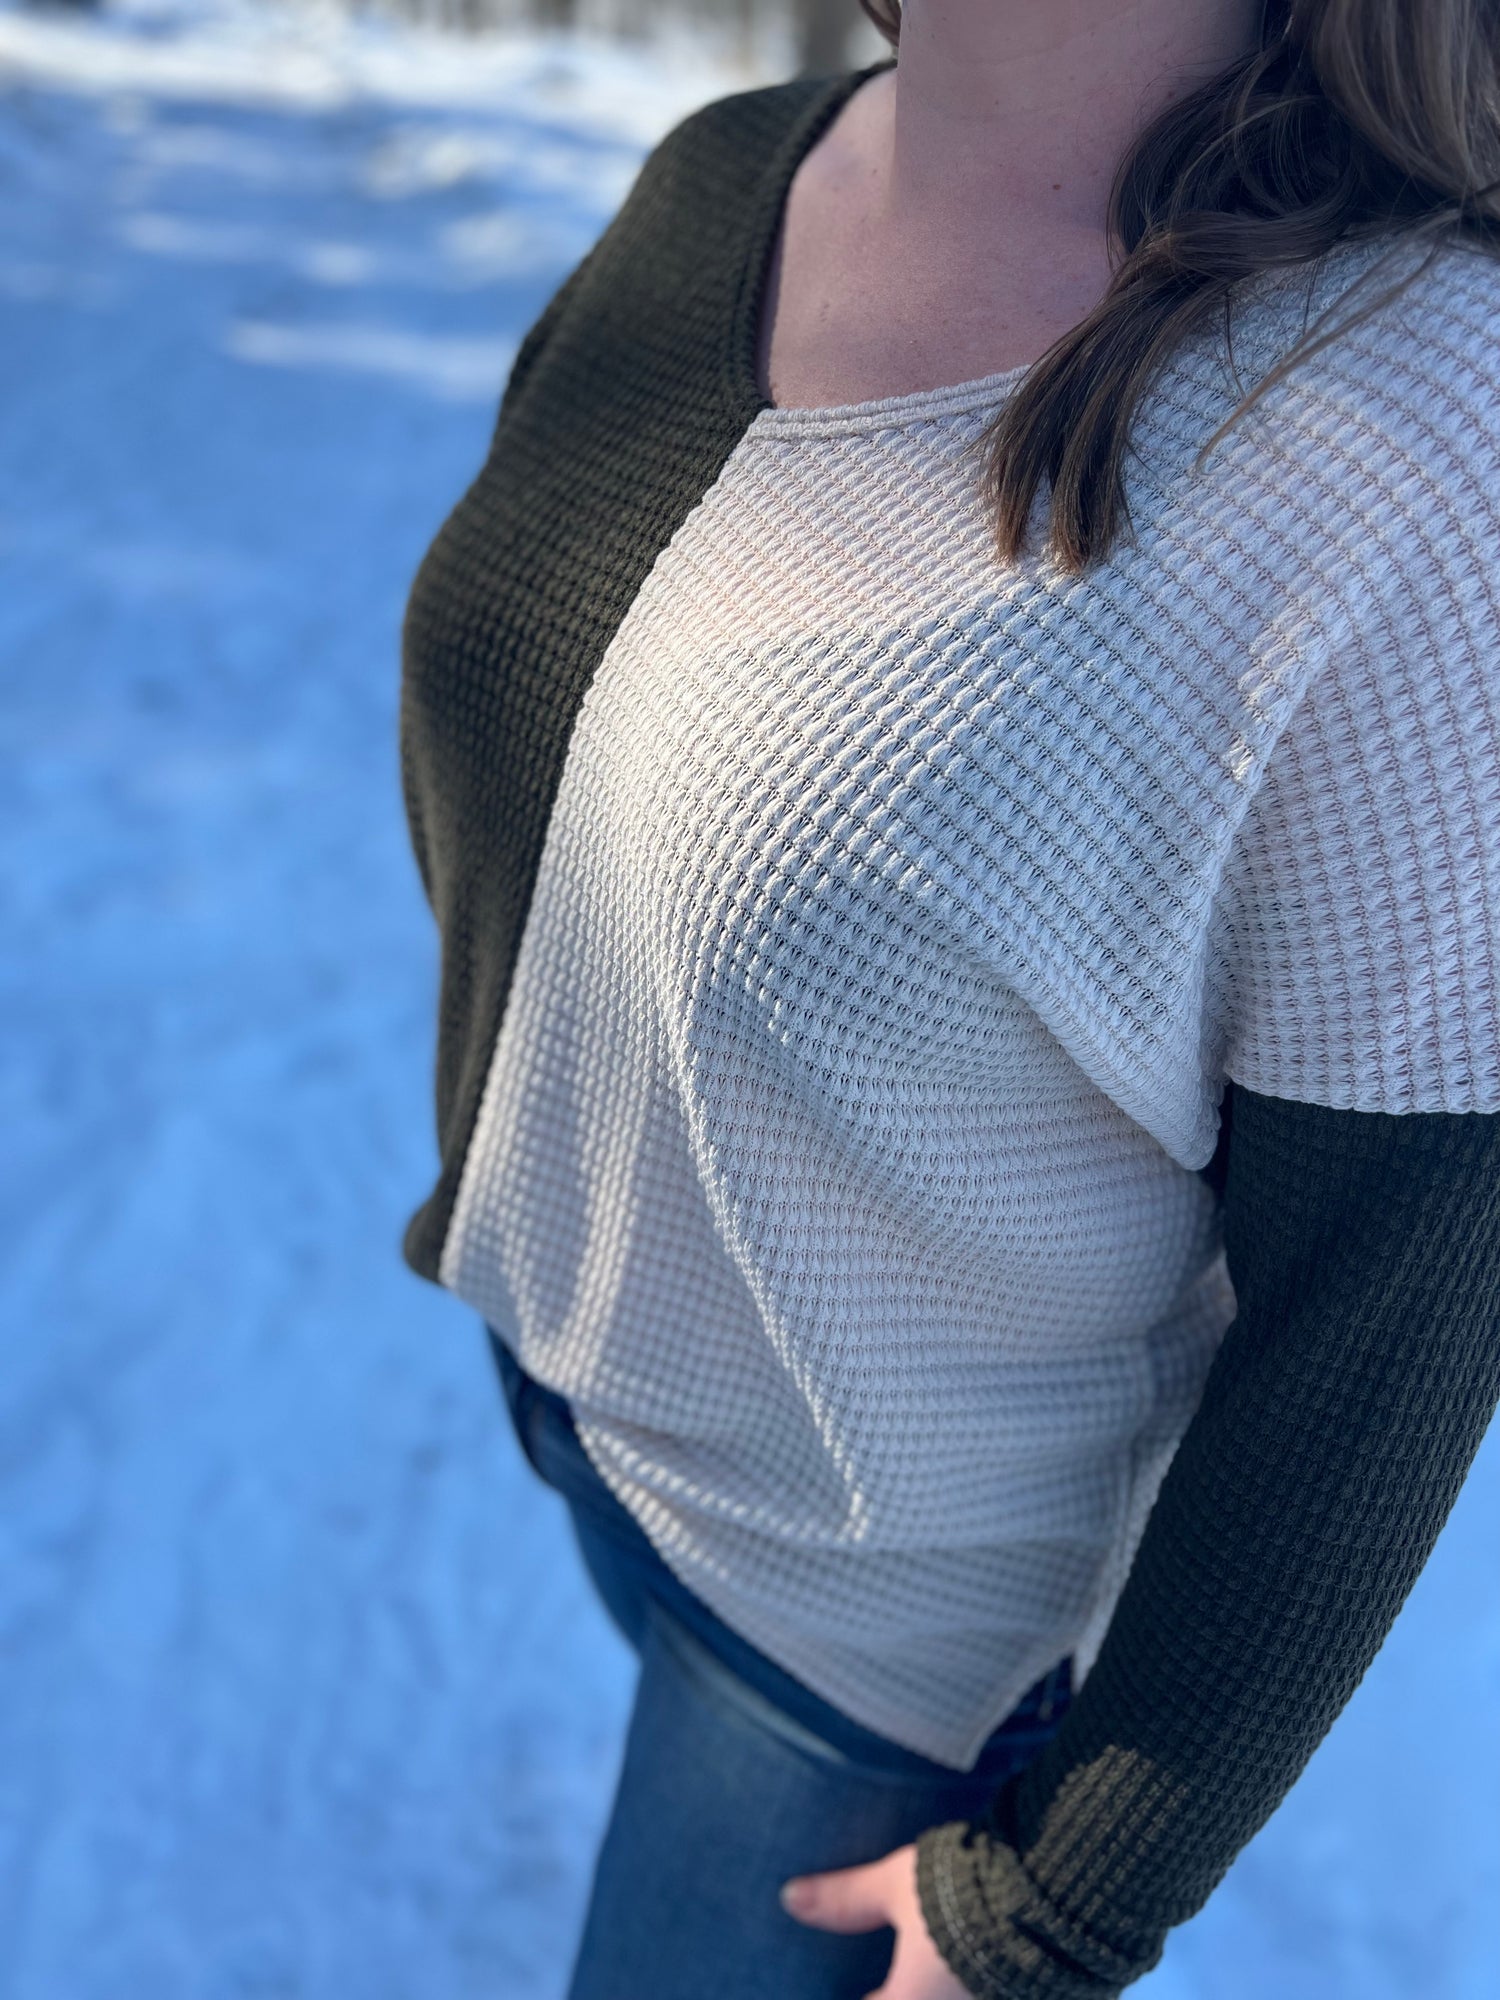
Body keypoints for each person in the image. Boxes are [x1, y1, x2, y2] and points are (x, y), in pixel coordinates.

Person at [396, 0, 1500, 1993]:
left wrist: (1063, 1904)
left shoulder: (1422, 439)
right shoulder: (728, 176)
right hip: (603, 1427)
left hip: (876, 1661)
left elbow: (1403, 1303)